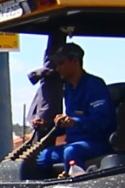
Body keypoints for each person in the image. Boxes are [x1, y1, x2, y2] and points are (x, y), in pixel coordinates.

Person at [22, 39, 116, 177]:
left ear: (74, 61)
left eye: (61, 63)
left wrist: (74, 121)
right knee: (41, 157)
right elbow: (68, 126)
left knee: (71, 151)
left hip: (97, 143)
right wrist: (49, 125)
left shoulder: (94, 85)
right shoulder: (69, 89)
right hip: (73, 143)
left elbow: (102, 121)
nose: (58, 68)